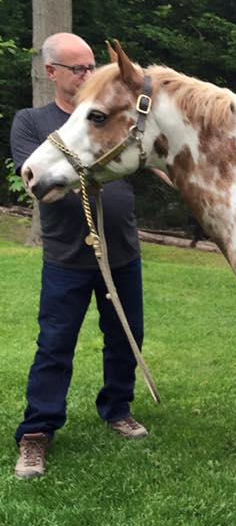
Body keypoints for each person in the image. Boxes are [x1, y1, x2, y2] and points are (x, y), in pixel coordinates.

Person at [11, 32, 148, 481]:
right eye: (79, 68)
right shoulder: (33, 122)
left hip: (122, 250)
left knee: (127, 337)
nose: (89, 74)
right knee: (55, 345)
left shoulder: (108, 117)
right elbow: (41, 187)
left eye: (91, 66)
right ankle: (37, 432)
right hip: (68, 257)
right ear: (52, 72)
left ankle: (117, 408)